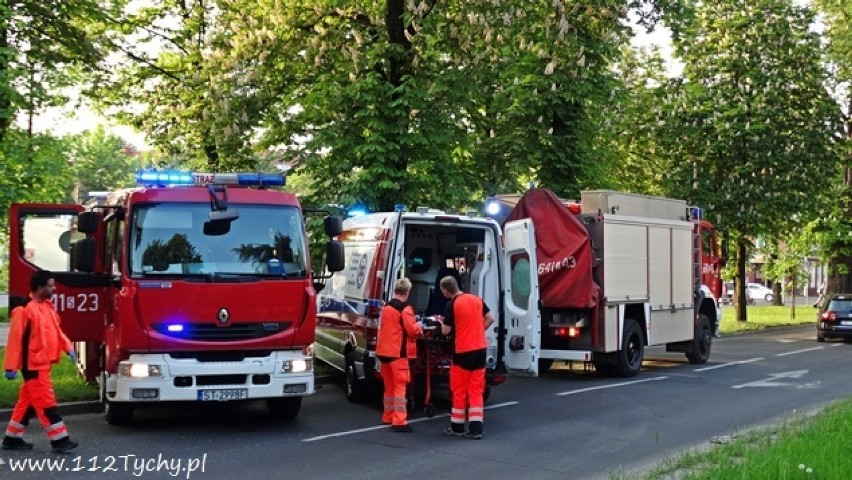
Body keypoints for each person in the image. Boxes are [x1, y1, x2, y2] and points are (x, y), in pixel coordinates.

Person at [3, 271, 79, 452]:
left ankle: (12, 439)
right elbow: (16, 339)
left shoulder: (46, 306)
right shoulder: (24, 309)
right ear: (39, 288)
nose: (54, 288)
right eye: (51, 285)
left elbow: (56, 331)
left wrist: (67, 347)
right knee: (46, 404)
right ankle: (60, 440)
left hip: (42, 363)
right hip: (33, 366)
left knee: (27, 403)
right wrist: (10, 366)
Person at [438, 275, 494, 440]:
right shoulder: (476, 299)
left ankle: (457, 427)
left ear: (446, 291)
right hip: (480, 350)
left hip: (463, 351)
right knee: (476, 390)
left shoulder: (452, 304)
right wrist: (479, 330)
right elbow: (491, 318)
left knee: (459, 390)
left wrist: (440, 323)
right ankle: (476, 430)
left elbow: (445, 331)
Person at [375, 278, 423, 433]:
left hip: (384, 352)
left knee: (388, 388)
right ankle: (400, 421)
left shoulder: (386, 307)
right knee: (399, 388)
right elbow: (412, 330)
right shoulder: (405, 309)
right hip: (398, 354)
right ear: (407, 292)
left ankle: (388, 416)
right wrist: (420, 327)